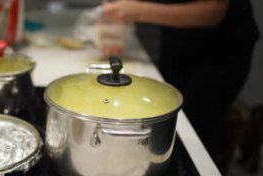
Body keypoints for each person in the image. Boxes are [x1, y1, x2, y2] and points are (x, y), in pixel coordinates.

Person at [101, 0, 260, 159]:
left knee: (196, 134)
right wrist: (115, 24)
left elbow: (213, 12)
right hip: (177, 41)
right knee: (167, 117)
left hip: (221, 50)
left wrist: (136, 11)